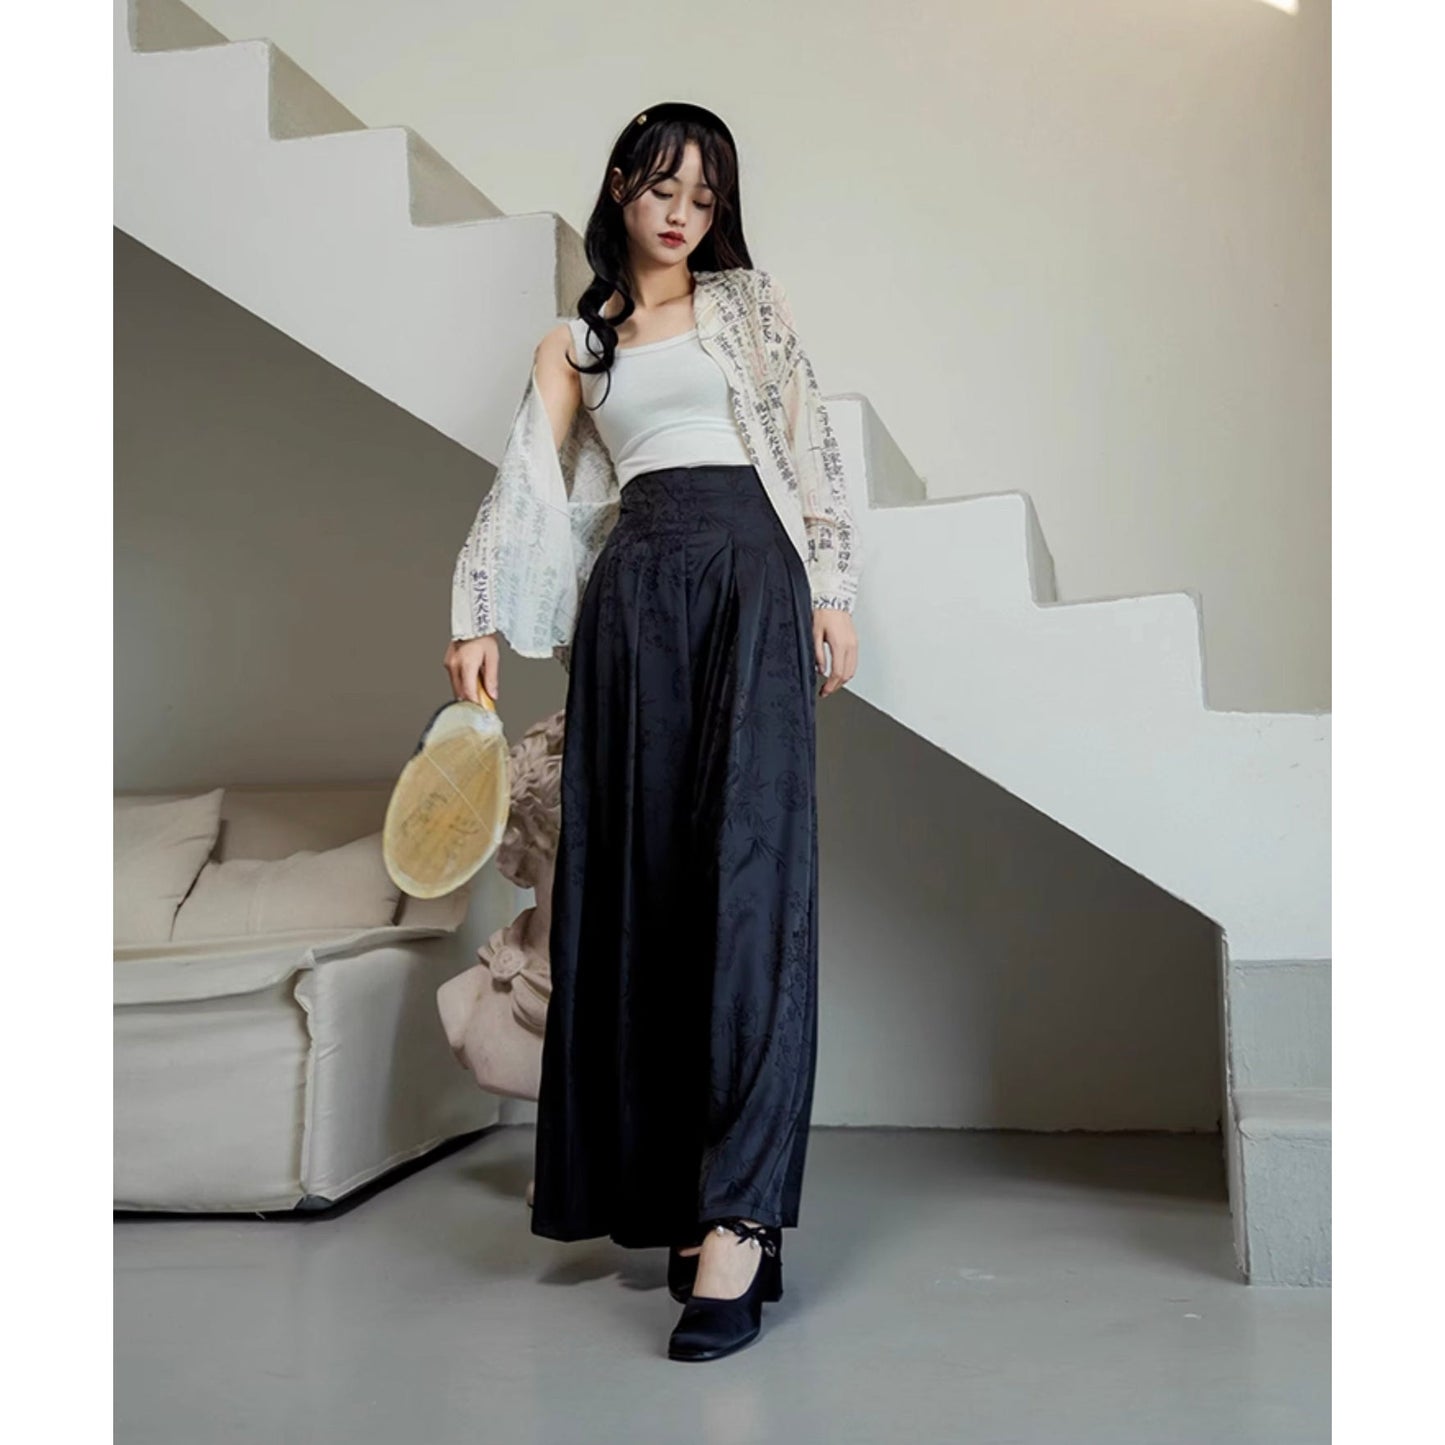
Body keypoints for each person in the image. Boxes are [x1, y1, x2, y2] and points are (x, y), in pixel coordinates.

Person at [443, 101, 859, 1362]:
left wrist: (833, 587)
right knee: (644, 891)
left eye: (704, 195)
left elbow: (810, 440)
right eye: (661, 187)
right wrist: (472, 611)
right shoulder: (574, 344)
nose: (681, 213)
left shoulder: (747, 307)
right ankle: (684, 1192)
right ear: (619, 187)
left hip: (748, 578)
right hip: (635, 604)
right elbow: (527, 479)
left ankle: (740, 1213)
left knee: (751, 886)